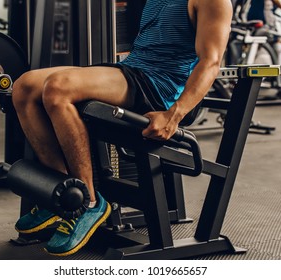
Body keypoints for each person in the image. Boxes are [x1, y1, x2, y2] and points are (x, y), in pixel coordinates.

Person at [12, 0, 232, 256]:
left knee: (58, 88)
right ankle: (64, 195)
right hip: (134, 69)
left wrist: (174, 115)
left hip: (160, 87)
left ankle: (88, 203)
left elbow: (211, 62)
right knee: (25, 87)